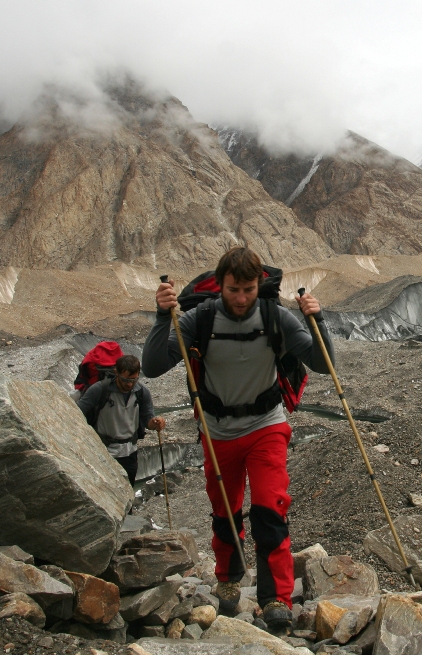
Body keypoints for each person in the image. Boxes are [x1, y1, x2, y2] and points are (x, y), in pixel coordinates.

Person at [141, 246, 335, 631]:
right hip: (217, 432)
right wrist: (163, 316)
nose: (242, 298)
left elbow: (322, 362)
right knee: (225, 511)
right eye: (233, 290)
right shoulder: (201, 318)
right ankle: (229, 579)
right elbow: (152, 365)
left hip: (266, 425)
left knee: (270, 507)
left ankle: (276, 597)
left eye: (248, 289)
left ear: (259, 284)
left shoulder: (275, 317)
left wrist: (318, 320)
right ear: (221, 286)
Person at [77, 354, 165, 483]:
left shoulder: (141, 392)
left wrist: (155, 423)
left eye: (134, 380)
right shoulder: (99, 390)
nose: (129, 384)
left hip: (130, 453)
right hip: (105, 452)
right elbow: (78, 412)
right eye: (125, 379)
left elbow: (147, 419)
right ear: (116, 372)